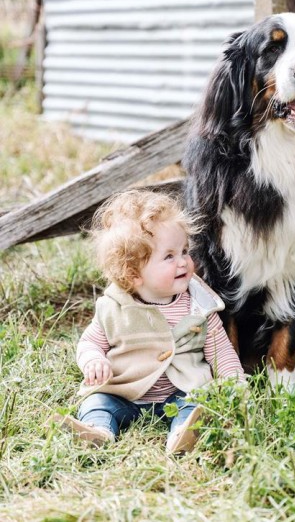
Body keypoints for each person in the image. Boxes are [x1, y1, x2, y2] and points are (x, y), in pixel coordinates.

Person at [49, 189, 245, 454]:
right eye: (169, 256)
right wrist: (94, 360)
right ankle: (99, 431)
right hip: (125, 393)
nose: (184, 262)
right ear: (133, 275)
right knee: (96, 403)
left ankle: (182, 434)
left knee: (199, 403)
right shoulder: (114, 307)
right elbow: (90, 342)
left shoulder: (200, 305)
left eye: (184, 251)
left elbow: (220, 350)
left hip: (181, 392)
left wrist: (235, 382)